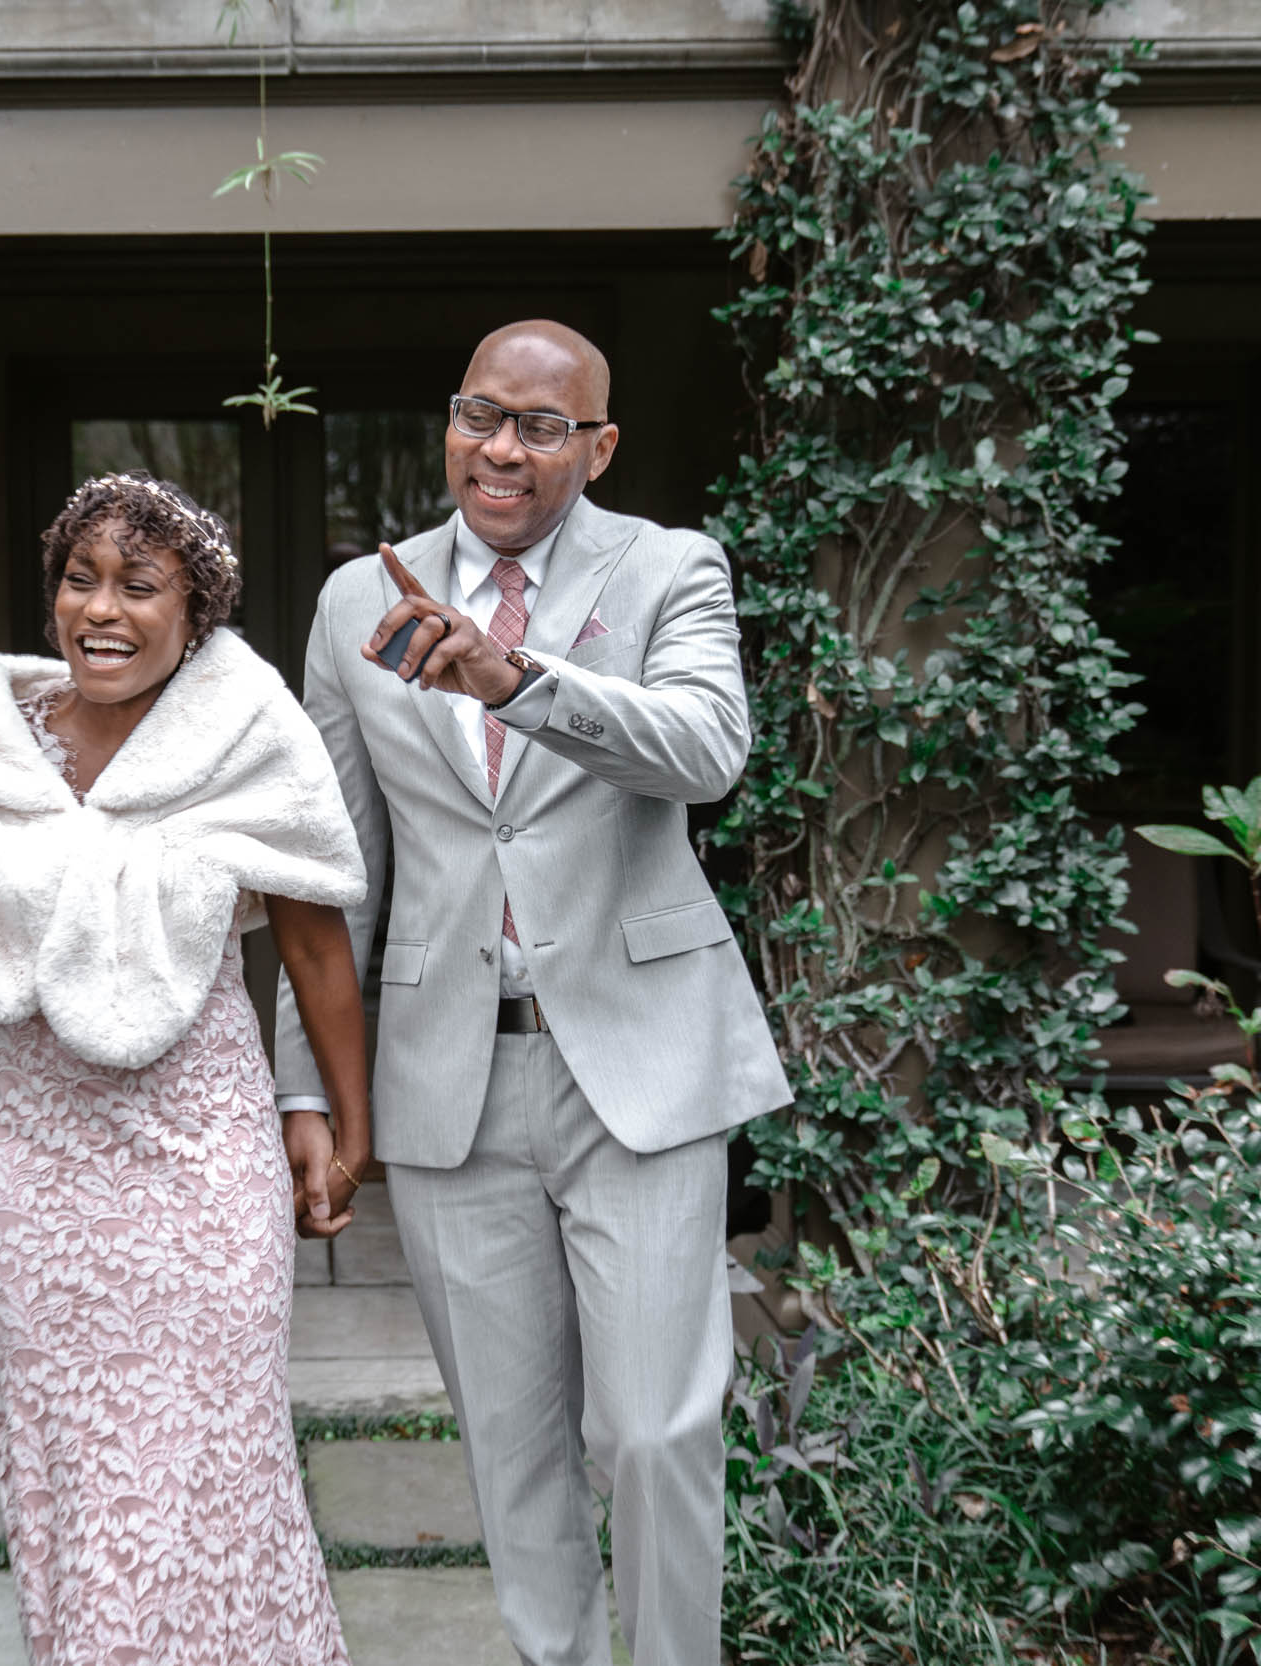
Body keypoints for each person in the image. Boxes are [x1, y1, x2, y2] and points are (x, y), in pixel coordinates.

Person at [274, 321, 792, 1666]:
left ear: (595, 445)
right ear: (450, 422)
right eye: (479, 415)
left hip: (639, 1062)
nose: (501, 448)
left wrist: (514, 678)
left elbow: (705, 747)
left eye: (540, 426)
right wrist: (308, 1087)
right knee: (511, 1446)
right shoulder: (352, 600)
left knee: (656, 1425)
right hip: (448, 1071)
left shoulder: (668, 566)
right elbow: (329, 863)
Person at [0, 471, 373, 1666]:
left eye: (141, 585)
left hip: (198, 1162)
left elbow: (314, 950)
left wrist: (352, 1126)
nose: (103, 608)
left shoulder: (246, 734)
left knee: (206, 1471)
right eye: (80, 579)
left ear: (196, 614)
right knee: (70, 1488)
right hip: (27, 1170)